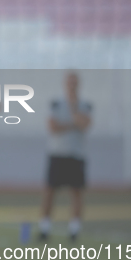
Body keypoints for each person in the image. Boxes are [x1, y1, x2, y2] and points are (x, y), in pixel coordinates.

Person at [39, 71, 92, 242]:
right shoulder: (56, 103)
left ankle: (74, 230)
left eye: (74, 82)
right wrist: (73, 124)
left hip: (76, 154)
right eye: (69, 82)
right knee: (49, 192)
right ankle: (44, 228)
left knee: (76, 192)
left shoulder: (85, 104)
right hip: (57, 153)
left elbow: (85, 124)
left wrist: (73, 117)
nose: (72, 85)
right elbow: (53, 126)